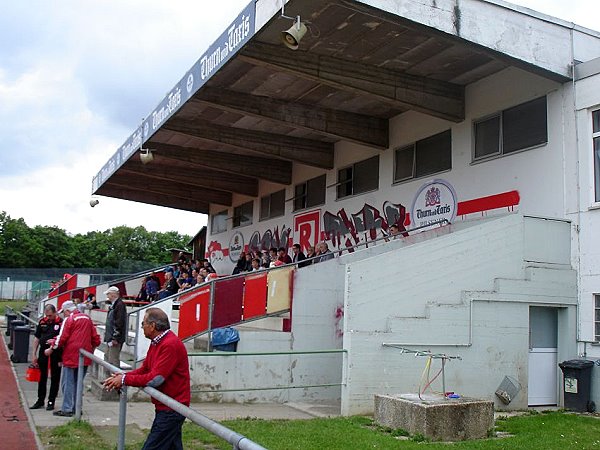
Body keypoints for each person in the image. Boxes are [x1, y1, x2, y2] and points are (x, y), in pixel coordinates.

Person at [103, 308, 190, 450]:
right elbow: (145, 369)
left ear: (153, 326)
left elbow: (155, 379)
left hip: (173, 408)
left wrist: (124, 380)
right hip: (166, 405)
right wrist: (123, 376)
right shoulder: (157, 342)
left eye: (143, 323)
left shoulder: (169, 344)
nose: (142, 327)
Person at [46, 300, 101, 417]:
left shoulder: (69, 319)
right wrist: (92, 350)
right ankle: (77, 407)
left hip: (70, 355)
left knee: (67, 383)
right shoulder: (87, 318)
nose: (63, 315)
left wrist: (51, 347)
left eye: (64, 312)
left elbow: (62, 338)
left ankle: (67, 408)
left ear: (67, 310)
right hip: (84, 355)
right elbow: (95, 338)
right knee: (78, 383)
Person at [30, 304, 63, 411]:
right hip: (43, 353)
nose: (48, 318)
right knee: (41, 377)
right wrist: (34, 354)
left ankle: (51, 401)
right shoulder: (42, 322)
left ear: (55, 312)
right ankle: (40, 400)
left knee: (55, 378)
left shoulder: (61, 322)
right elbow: (37, 338)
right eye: (46, 315)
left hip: (56, 354)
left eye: (50, 315)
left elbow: (62, 339)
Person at [104, 286, 127, 369]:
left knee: (113, 360)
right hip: (110, 337)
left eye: (108, 294)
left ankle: (114, 379)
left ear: (113, 294)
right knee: (107, 358)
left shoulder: (119, 305)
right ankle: (108, 379)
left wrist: (115, 338)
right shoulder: (115, 305)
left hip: (114, 338)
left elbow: (119, 322)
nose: (107, 296)